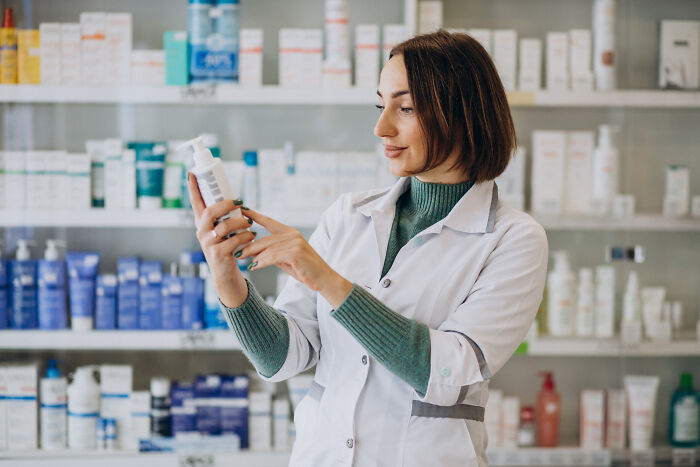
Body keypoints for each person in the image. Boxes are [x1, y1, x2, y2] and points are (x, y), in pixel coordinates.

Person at [188, 30, 548, 467]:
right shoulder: (348, 215)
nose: (381, 128)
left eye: (406, 107)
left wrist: (329, 282)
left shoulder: (514, 239)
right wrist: (228, 279)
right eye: (381, 105)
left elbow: (447, 372)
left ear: (463, 113)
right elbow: (283, 358)